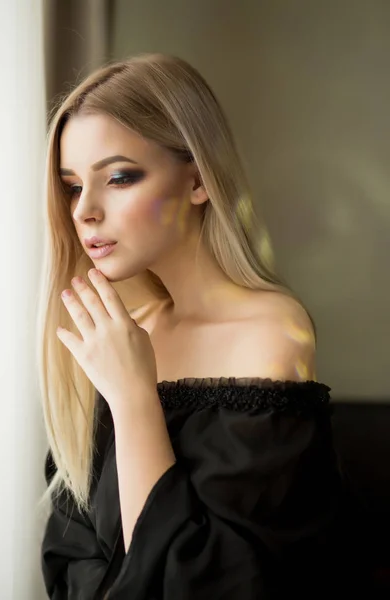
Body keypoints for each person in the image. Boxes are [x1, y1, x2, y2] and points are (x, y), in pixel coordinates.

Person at [38, 53, 368, 599]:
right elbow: (71, 555)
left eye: (119, 177)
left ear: (197, 180)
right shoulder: (119, 332)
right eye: (73, 186)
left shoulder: (269, 332)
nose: (84, 211)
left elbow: (200, 583)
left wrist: (133, 398)